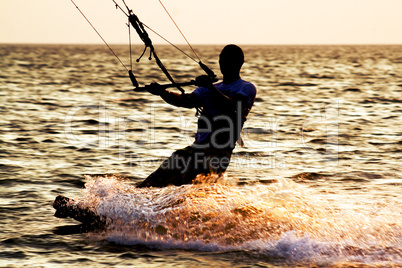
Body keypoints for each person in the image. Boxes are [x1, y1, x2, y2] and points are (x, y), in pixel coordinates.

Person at [137, 44, 257, 188]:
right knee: (158, 177)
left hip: (217, 153)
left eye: (229, 60)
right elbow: (186, 101)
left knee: (190, 180)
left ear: (240, 63)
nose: (224, 63)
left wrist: (210, 87)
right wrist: (163, 92)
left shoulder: (246, 87)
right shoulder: (209, 87)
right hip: (196, 149)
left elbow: (234, 106)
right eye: (222, 59)